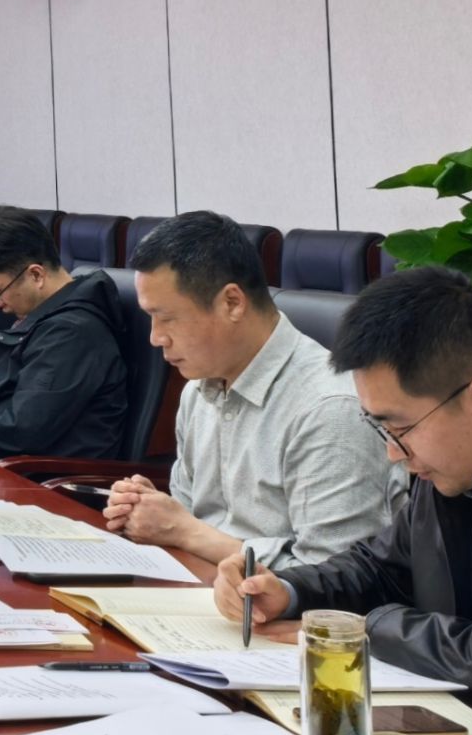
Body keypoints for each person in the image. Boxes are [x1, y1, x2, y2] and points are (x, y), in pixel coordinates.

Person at [219, 267, 472, 695]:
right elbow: (381, 568)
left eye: (400, 428)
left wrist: (373, 630)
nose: (393, 453)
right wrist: (290, 591)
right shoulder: (449, 473)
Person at [104, 212, 399, 566]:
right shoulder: (197, 390)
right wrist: (151, 511)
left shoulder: (330, 409)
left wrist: (185, 532)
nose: (155, 337)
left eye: (167, 318)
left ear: (232, 302)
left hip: (276, 602)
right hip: (198, 584)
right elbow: (187, 516)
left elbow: (334, 574)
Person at [0, 206, 129, 460]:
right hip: (23, 462)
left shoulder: (72, 333)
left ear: (36, 275)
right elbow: (13, 401)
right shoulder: (53, 315)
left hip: (47, 474)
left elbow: (21, 430)